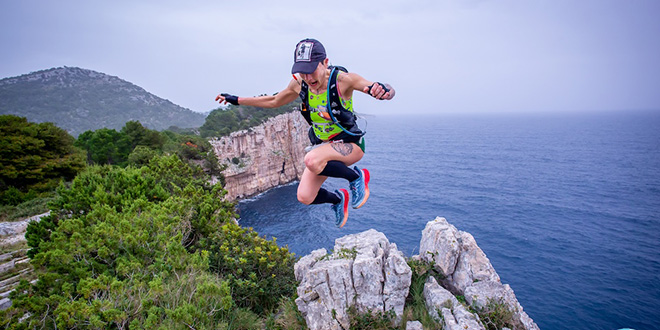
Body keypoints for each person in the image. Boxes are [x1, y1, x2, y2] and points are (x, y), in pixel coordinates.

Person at [216, 38, 395, 228]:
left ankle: (356, 177)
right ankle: (337, 199)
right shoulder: (300, 84)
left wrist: (382, 90)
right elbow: (274, 101)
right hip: (324, 148)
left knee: (311, 159)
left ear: (325, 63)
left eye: (311, 71)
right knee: (305, 196)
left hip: (350, 146)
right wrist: (237, 100)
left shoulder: (343, 80)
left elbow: (380, 88)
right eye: (303, 72)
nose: (308, 78)